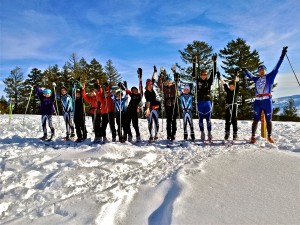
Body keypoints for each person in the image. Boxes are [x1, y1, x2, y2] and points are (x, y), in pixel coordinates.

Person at [243, 46, 288, 143]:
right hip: (258, 102)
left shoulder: (270, 76)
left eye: (263, 69)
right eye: (259, 70)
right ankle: (253, 136)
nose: (261, 71)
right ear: (258, 71)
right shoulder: (256, 79)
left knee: (269, 120)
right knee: (255, 120)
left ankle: (269, 136)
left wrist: (282, 55)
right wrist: (246, 71)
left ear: (265, 70)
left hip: (267, 101)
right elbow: (250, 76)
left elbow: (277, 66)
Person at [195, 67, 216, 142]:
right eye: (202, 74)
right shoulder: (198, 81)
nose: (203, 76)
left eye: (205, 74)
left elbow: (213, 74)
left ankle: (209, 132)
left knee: (208, 119)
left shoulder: (209, 81)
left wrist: (215, 62)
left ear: (207, 75)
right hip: (200, 102)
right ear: (200, 75)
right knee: (200, 119)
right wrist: (194, 63)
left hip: (207, 102)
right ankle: (202, 132)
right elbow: (194, 73)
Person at [219, 72, 240, 141]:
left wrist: (237, 75)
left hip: (234, 106)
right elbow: (224, 84)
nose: (231, 87)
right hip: (228, 107)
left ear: (234, 86)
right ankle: (227, 133)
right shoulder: (228, 90)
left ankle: (235, 134)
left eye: (232, 86)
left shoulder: (236, 91)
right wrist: (220, 78)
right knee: (227, 120)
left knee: (234, 120)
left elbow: (237, 82)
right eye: (230, 86)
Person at [158, 73, 178, 141]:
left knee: (173, 120)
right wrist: (160, 78)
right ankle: (169, 134)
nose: (168, 82)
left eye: (169, 81)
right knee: (168, 120)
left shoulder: (174, 86)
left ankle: (173, 133)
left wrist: (176, 78)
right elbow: (159, 85)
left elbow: (178, 84)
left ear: (171, 81)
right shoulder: (165, 88)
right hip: (167, 105)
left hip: (174, 104)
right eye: (167, 81)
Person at [144, 66, 160, 142]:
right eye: (149, 85)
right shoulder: (146, 93)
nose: (151, 85)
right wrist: (147, 109)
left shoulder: (152, 89)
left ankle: (156, 134)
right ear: (147, 85)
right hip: (150, 108)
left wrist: (155, 72)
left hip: (156, 108)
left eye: (151, 84)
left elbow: (153, 79)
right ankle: (151, 135)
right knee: (150, 122)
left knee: (156, 121)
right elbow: (147, 101)